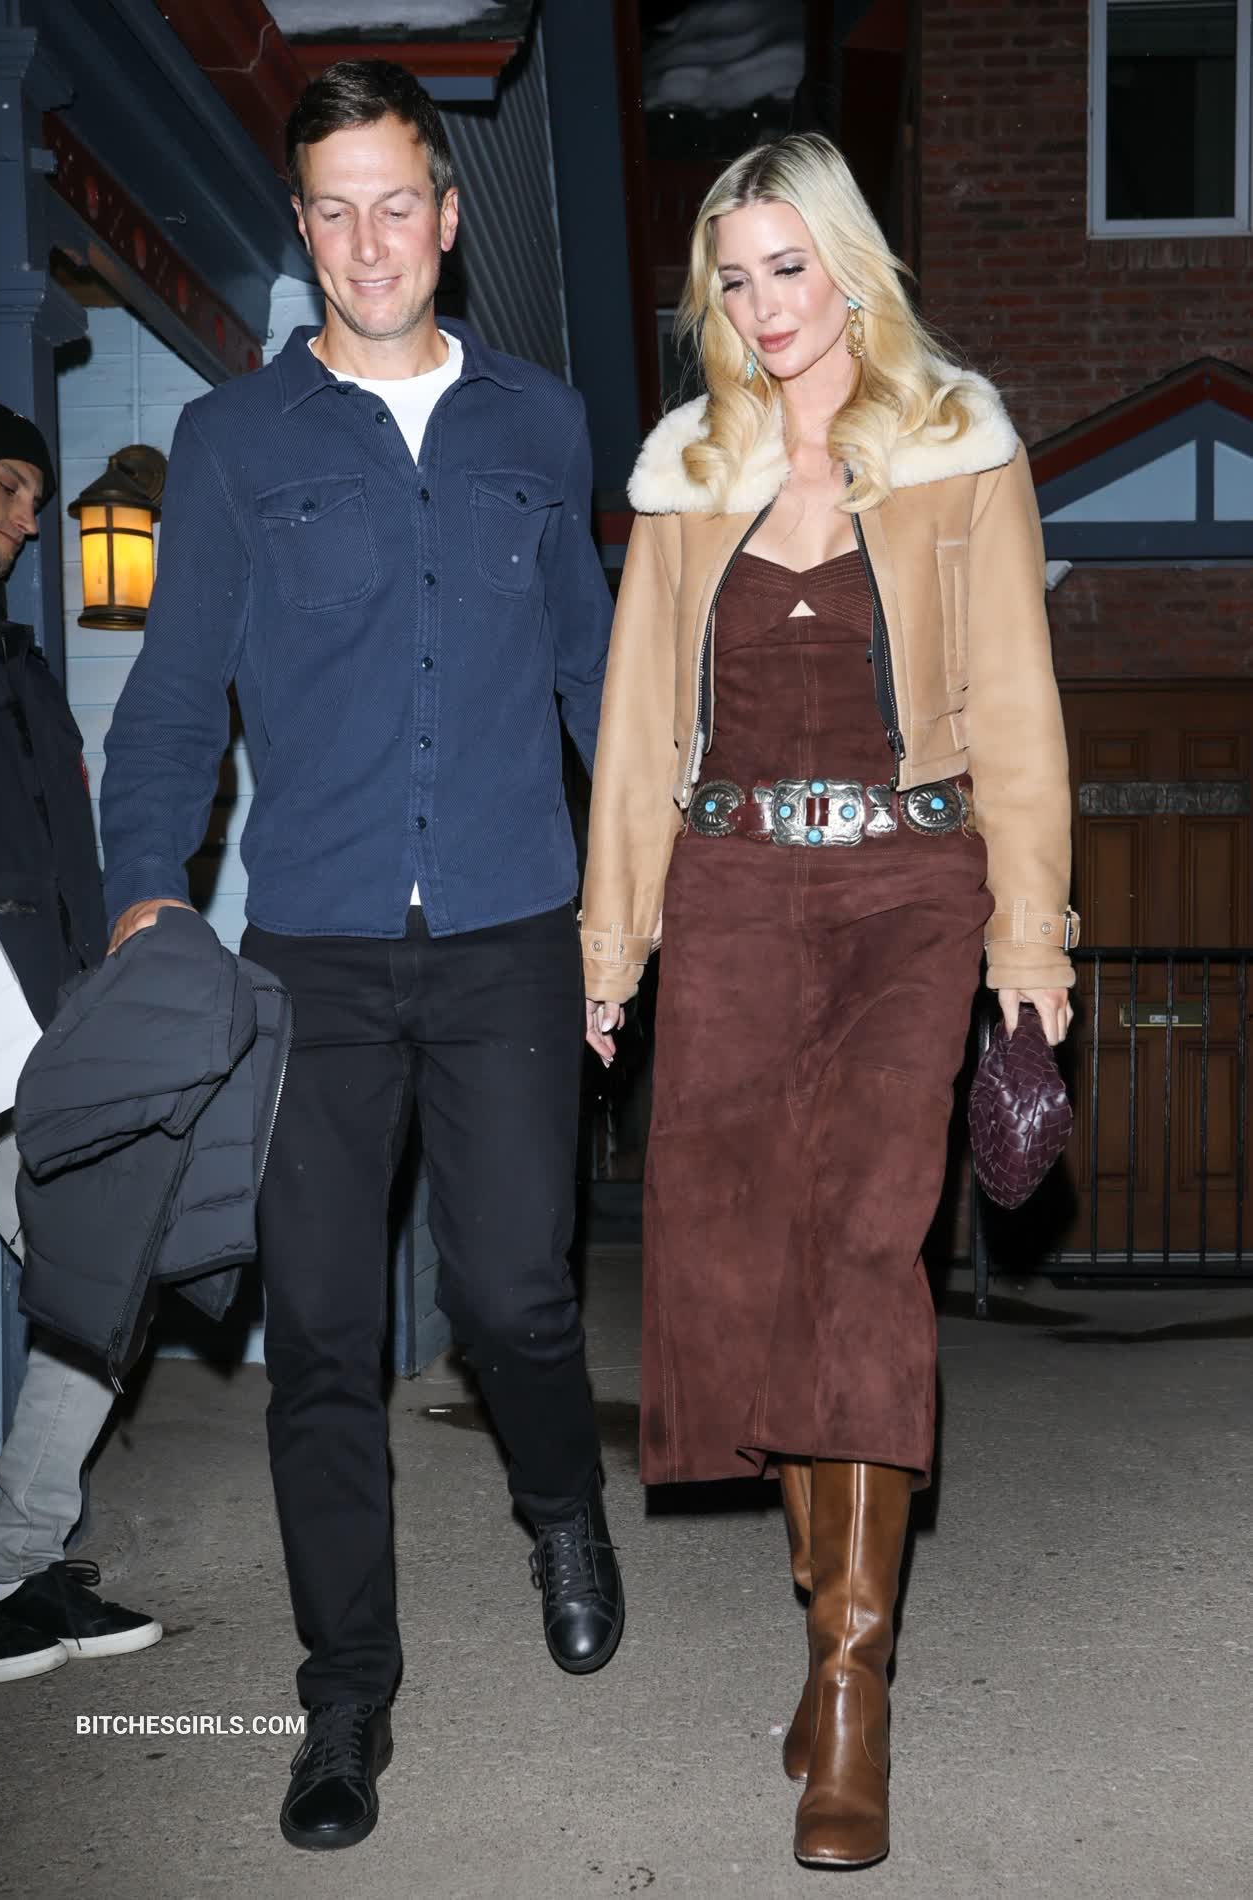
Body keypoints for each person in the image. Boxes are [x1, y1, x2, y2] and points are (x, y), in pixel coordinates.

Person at [99, 60, 621, 1852]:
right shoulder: (235, 441)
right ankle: (343, 1695)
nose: (368, 241)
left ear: (448, 218)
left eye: (398, 202)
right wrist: (147, 891)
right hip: (310, 952)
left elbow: (594, 680)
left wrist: (637, 903)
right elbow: (174, 696)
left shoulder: (541, 425)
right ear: (304, 226)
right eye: (333, 210)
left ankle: (559, 1506)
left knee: (514, 1296)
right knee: (317, 1333)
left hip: (507, 932)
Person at [579, 134, 1077, 1871]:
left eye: (787, 267)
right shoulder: (687, 471)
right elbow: (637, 726)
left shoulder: (956, 446)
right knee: (743, 1272)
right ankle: (819, 1614)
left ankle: (853, 1686)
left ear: (848, 266)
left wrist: (1029, 956)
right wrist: (610, 946)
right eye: (731, 278)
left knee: (866, 1247)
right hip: (726, 887)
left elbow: (1015, 712)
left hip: (905, 884)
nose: (761, 305)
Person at [0, 399, 161, 1683]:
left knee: (106, 1272)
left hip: (39, 1029)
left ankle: (15, 1559)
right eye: (6, 489)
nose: (28, 520)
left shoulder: (22, 664)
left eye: (37, 500)